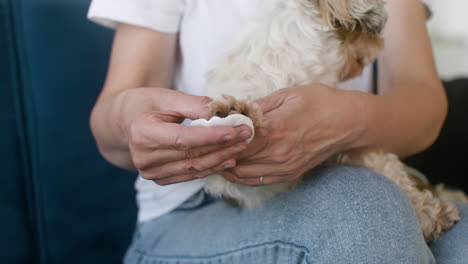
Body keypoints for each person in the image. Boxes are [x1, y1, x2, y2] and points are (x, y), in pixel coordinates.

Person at [87, 0, 468, 263]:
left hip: (352, 175)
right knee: (365, 210)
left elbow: (425, 111)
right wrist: (132, 127)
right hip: (193, 208)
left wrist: (346, 120)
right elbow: (111, 123)